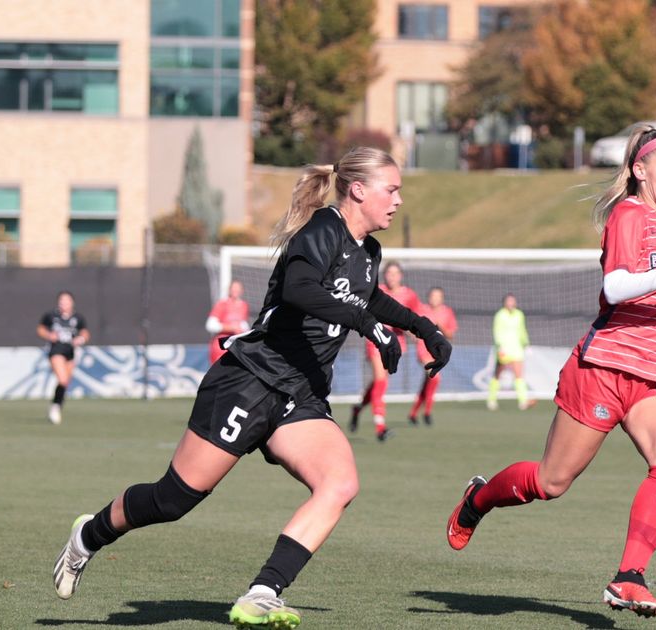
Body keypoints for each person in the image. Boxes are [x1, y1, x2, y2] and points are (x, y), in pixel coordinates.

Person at [52, 147, 452, 629]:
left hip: (300, 395)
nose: (399, 200)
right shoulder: (323, 229)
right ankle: (89, 535)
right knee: (173, 499)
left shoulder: (368, 251)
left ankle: (263, 593)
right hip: (250, 379)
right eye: (392, 189)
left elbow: (368, 295)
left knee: (340, 483)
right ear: (359, 190)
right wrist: (365, 324)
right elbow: (299, 288)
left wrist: (423, 328)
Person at [445, 126, 656, 618]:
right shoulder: (628, 215)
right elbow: (618, 286)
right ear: (639, 171)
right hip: (603, 368)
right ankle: (479, 498)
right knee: (551, 483)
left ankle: (629, 577)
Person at [350, 260, 421, 440]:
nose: (392, 277)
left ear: (401, 276)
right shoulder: (377, 291)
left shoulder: (409, 295)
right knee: (381, 381)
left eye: (395, 273)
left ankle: (358, 408)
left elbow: (413, 318)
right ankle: (380, 426)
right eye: (389, 273)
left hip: (395, 343)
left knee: (377, 382)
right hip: (375, 340)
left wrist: (414, 331)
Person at [408, 286, 459, 425]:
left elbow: (450, 335)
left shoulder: (447, 312)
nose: (435, 299)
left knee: (428, 382)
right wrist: (412, 333)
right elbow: (408, 324)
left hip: (438, 352)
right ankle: (427, 413)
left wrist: (441, 326)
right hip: (423, 350)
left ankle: (413, 414)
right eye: (433, 296)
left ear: (442, 299)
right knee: (435, 378)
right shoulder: (422, 310)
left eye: (438, 296)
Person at [37, 291, 89, 424]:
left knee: (65, 383)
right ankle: (55, 409)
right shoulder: (51, 316)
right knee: (62, 379)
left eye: (66, 301)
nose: (63, 304)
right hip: (56, 351)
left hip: (70, 352)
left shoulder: (78, 318)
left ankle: (56, 406)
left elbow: (84, 332)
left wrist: (81, 339)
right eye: (61, 301)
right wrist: (49, 335)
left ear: (72, 303)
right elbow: (41, 329)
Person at [486, 293, 535, 410]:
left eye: (513, 301)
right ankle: (491, 400)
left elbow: (522, 330)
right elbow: (497, 331)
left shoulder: (519, 314)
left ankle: (523, 401)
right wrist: (500, 346)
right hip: (504, 348)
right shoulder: (500, 315)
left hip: (517, 348)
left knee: (519, 375)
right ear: (504, 303)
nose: (511, 303)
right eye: (509, 301)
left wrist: (526, 344)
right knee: (498, 374)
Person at [205, 280, 250, 364]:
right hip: (220, 347)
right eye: (233, 289)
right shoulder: (222, 304)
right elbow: (210, 325)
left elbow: (244, 325)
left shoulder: (244, 305)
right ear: (229, 290)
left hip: (236, 347)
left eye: (237, 289)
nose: (235, 291)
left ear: (242, 291)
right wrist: (231, 328)